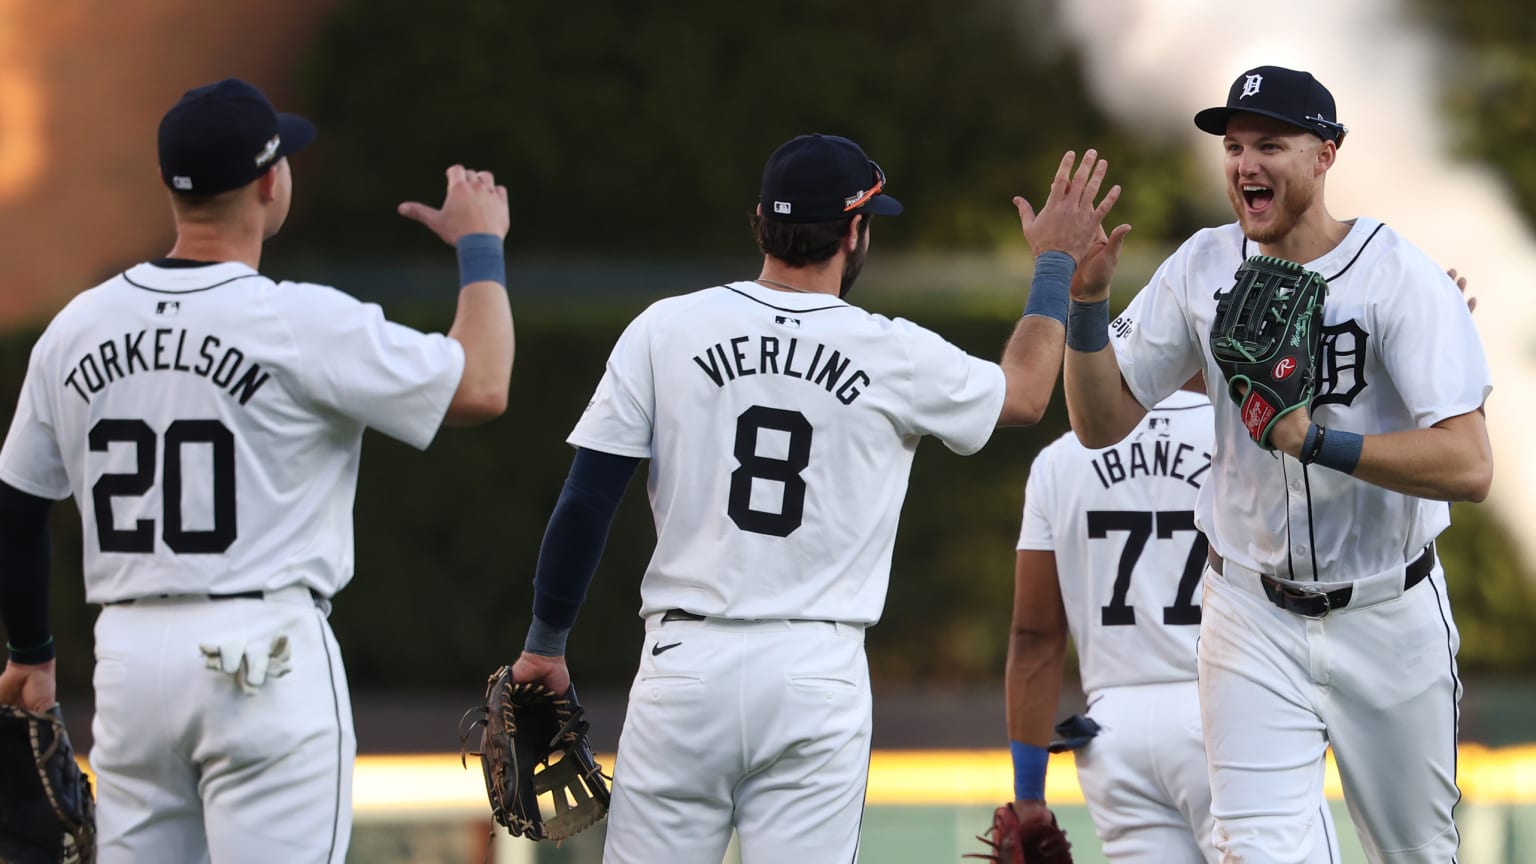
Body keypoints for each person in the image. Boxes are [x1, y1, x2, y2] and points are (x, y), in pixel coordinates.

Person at [504, 133, 1127, 862]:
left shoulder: (666, 328)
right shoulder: (889, 348)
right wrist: (1054, 265)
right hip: (815, 668)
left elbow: (587, 501)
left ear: (760, 222)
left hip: (684, 663)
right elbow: (1023, 393)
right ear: (855, 231)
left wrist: (545, 645)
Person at [0, 78, 514, 863]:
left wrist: (32, 657)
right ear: (270, 182)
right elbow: (481, 384)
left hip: (130, 660)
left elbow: (17, 505)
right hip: (262, 655)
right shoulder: (296, 318)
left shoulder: (76, 326)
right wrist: (481, 245)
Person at [1060, 65, 1492, 863]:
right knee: (1254, 852)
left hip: (1386, 611)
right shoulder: (1200, 265)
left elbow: (1469, 464)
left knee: (1417, 853)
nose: (1244, 164)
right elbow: (1099, 421)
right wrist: (1084, 303)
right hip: (1249, 610)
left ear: (1325, 154)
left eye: (1270, 143)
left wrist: (1315, 440)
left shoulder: (1399, 274)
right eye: (1232, 146)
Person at [1006, 375, 1340, 863]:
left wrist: (1029, 796)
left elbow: (1034, 636)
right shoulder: (1253, 440)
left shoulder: (1059, 460)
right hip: (1234, 714)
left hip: (1114, 739)